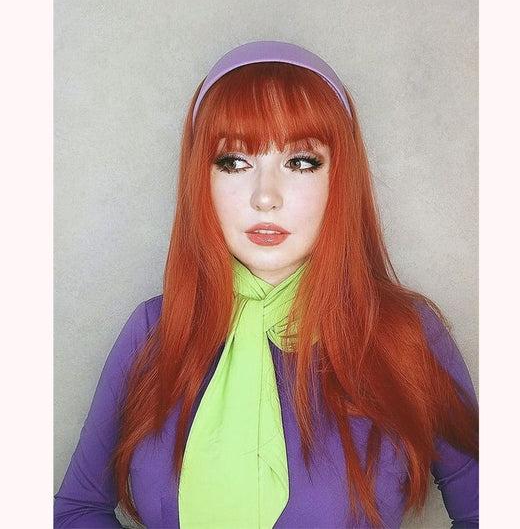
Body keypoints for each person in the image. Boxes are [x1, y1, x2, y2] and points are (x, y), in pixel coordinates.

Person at [54, 41, 478, 528]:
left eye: (301, 162)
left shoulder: (406, 333)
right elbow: (76, 510)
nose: (265, 197)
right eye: (234, 161)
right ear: (201, 179)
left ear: (340, 178)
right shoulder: (154, 330)